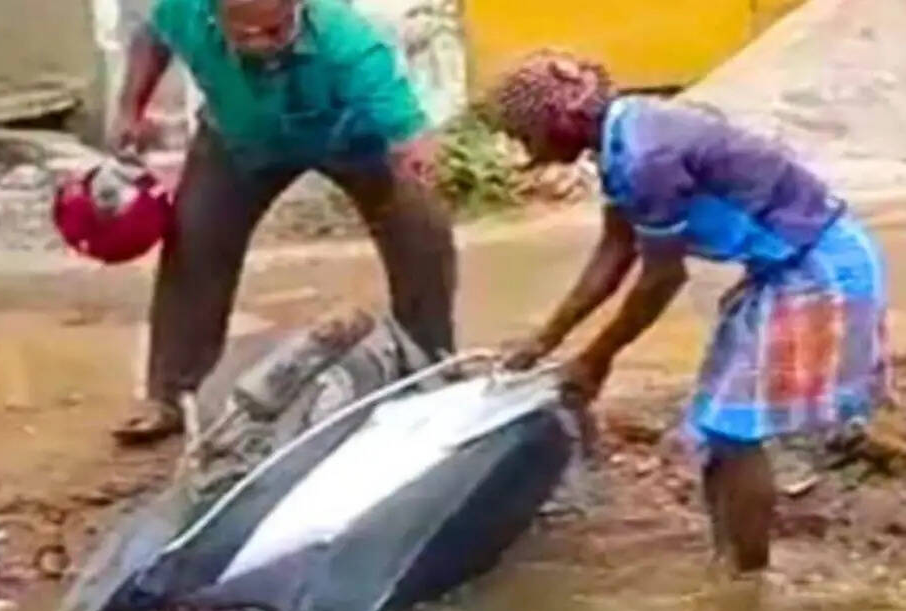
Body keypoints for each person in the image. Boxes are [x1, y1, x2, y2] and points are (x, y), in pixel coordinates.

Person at [492, 51, 891, 572]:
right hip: (783, 268)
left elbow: (662, 279)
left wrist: (596, 358)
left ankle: (744, 583)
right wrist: (546, 339)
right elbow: (615, 250)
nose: (531, 151)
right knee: (713, 426)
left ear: (561, 123)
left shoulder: (646, 157)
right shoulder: (625, 139)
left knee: (734, 427)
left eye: (529, 137)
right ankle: (728, 563)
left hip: (818, 269)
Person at [110, 0, 457, 445]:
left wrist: (416, 162)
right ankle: (170, 396)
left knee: (422, 226)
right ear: (215, 16)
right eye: (246, 34)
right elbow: (153, 38)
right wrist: (130, 108)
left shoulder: (347, 40)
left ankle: (432, 369)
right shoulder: (186, 10)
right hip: (239, 141)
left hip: (351, 140)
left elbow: (410, 134)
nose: (264, 45)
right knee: (193, 242)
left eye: (277, 31)